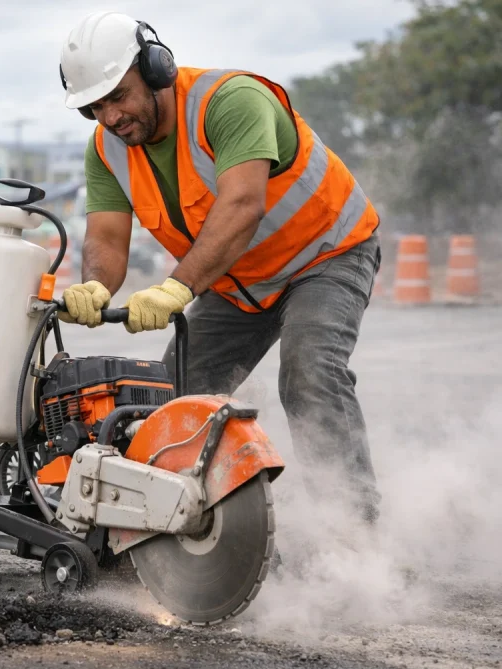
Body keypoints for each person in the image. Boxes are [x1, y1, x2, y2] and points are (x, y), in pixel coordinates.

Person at [57, 12, 383, 529]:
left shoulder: (229, 102)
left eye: (119, 96)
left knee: (309, 374)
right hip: (241, 285)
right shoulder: (106, 150)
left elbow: (242, 206)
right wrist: (96, 283)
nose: (111, 116)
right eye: (95, 106)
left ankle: (355, 533)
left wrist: (175, 289)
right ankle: (200, 532)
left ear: (155, 69)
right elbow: (106, 238)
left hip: (325, 253)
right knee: (174, 395)